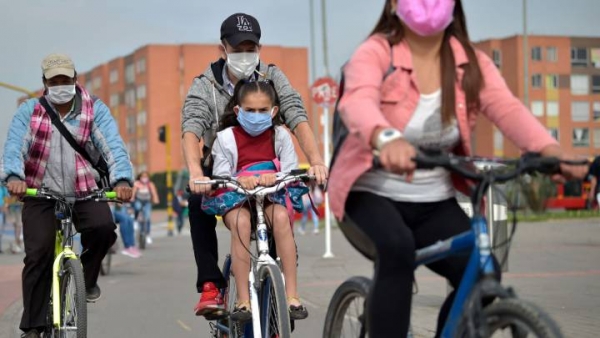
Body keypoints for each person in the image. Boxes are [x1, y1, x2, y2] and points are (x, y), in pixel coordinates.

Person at [326, 1, 589, 337]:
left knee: (483, 271)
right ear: (394, 4)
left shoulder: (469, 62)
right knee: (397, 250)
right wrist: (386, 138)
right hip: (369, 193)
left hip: (433, 199)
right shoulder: (377, 51)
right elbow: (357, 100)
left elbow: (506, 108)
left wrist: (550, 151)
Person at [181, 12, 328, 318]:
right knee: (197, 201)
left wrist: (316, 162)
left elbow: (296, 115)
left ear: (260, 48)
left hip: (269, 169)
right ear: (223, 48)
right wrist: (196, 173)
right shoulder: (205, 84)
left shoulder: (272, 77)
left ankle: (285, 294)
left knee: (281, 224)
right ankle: (211, 284)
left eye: (251, 47)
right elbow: (192, 127)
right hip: (224, 165)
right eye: (238, 48)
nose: (245, 55)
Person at [0, 53, 133, 338]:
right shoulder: (30, 111)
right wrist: (13, 177)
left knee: (104, 229)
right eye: (54, 81)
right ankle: (33, 326)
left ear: (75, 79)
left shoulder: (94, 109)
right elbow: (14, 146)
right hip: (40, 191)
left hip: (84, 190)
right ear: (45, 83)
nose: (61, 85)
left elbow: (113, 146)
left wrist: (122, 179)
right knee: (38, 253)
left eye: (66, 79)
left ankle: (85, 277)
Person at [199, 80, 309, 321]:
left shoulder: (280, 135)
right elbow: (221, 174)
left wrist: (274, 177)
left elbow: (290, 171)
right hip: (235, 198)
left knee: (281, 217)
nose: (256, 116)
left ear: (274, 112)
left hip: (271, 196)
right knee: (241, 223)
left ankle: (292, 295)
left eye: (263, 110)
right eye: (250, 110)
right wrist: (243, 179)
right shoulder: (226, 139)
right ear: (238, 111)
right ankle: (242, 301)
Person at [131, 171, 159, 245]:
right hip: (139, 201)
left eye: (146, 177)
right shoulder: (137, 183)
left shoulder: (150, 184)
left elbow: (154, 192)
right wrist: (132, 198)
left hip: (147, 202)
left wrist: (156, 199)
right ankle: (135, 220)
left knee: (147, 217)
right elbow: (133, 192)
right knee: (137, 207)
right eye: (143, 177)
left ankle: (148, 235)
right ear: (140, 177)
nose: (144, 178)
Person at [0, 185, 8, 253]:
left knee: (0, 230)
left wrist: (5, 205)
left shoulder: (2, 187)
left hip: (1, 211)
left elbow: (7, 198)